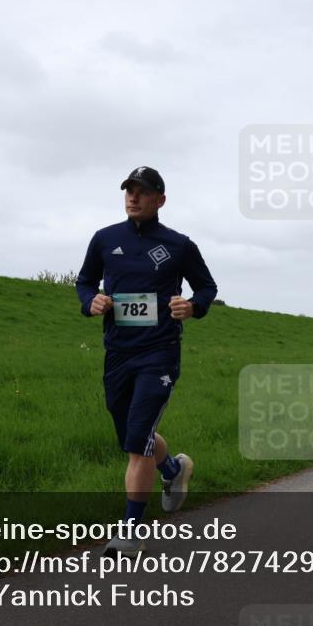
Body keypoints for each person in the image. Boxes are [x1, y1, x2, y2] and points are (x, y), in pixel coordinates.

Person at [75, 166, 218, 556]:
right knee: (132, 436)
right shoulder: (105, 240)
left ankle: (129, 532)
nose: (133, 197)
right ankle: (173, 469)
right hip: (118, 353)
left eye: (142, 191)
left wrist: (192, 305)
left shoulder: (178, 245)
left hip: (159, 353)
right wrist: (92, 301)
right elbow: (84, 281)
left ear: (160, 200)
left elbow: (206, 287)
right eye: (129, 191)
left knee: (137, 441)